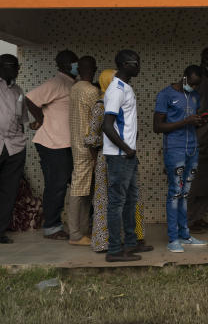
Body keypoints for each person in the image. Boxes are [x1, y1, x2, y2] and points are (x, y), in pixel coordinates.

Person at [86, 68, 147, 253]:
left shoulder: (121, 93)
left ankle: (131, 242)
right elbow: (95, 135)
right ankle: (109, 246)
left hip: (124, 154)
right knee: (111, 202)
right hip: (112, 156)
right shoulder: (102, 103)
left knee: (130, 200)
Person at [102, 50, 152, 262]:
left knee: (131, 200)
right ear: (124, 64)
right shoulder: (116, 89)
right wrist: (126, 148)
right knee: (117, 202)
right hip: (120, 156)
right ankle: (114, 250)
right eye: (135, 62)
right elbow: (107, 125)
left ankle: (131, 243)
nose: (139, 65)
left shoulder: (126, 87)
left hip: (128, 155)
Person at [154, 65, 208, 253]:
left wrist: (199, 121)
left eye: (197, 85)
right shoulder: (165, 95)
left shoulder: (194, 96)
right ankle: (173, 238)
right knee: (175, 192)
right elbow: (158, 126)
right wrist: (185, 122)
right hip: (174, 149)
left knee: (185, 192)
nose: (193, 87)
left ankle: (185, 235)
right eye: (191, 83)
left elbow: (193, 120)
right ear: (184, 77)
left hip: (192, 149)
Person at [25, 49, 78, 240]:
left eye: (76, 61)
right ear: (63, 65)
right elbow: (30, 99)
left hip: (64, 144)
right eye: (72, 62)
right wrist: (40, 119)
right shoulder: (57, 82)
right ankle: (52, 227)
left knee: (70, 183)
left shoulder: (71, 83)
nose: (75, 64)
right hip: (51, 143)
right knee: (56, 185)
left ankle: (77, 223)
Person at [187, 46, 208, 232]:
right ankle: (186, 220)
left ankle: (197, 217)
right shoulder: (196, 79)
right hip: (196, 137)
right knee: (193, 182)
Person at [67, 55, 98, 246]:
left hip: (76, 144)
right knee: (79, 191)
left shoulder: (75, 88)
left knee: (83, 190)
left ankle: (82, 231)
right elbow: (96, 122)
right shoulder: (92, 91)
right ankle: (76, 234)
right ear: (93, 69)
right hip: (88, 147)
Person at [0, 54, 28, 244]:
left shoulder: (18, 91)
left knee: (8, 191)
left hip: (14, 147)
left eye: (17, 67)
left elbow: (22, 119)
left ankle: (0, 231)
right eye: (13, 66)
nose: (17, 70)